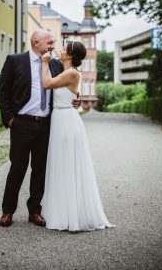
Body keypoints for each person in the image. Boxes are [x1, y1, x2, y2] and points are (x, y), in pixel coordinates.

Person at [0, 29, 80, 227]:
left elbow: (67, 86)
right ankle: (7, 211)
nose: (53, 45)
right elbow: (3, 91)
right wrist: (9, 119)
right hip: (21, 123)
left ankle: (35, 211)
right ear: (36, 42)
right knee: (18, 167)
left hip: (45, 124)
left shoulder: (56, 64)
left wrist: (76, 99)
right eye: (49, 42)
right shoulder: (15, 60)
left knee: (40, 168)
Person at [40, 40, 114, 231]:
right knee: (62, 165)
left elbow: (47, 83)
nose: (60, 50)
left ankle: (72, 215)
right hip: (60, 118)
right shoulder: (67, 72)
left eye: (64, 49)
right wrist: (78, 98)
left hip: (66, 121)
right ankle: (64, 212)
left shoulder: (72, 72)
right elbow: (69, 93)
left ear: (70, 55)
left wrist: (44, 63)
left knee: (68, 165)